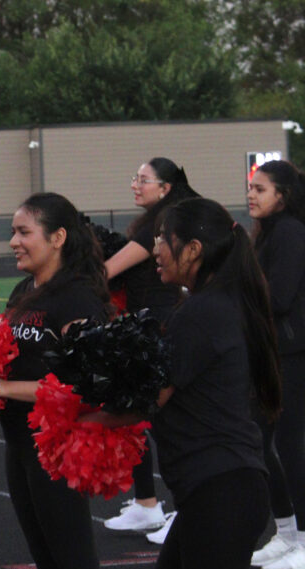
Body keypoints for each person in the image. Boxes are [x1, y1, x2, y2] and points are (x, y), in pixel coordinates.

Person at [91, 197, 279, 569]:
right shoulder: (207, 306)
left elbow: (146, 397)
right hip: (216, 492)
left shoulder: (202, 312)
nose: (153, 247)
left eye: (162, 238)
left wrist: (78, 418)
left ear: (193, 249)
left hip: (223, 492)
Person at [0, 193, 122, 569]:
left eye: (24, 232)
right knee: (49, 565)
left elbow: (85, 385)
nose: (14, 241)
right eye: (14, 231)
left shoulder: (78, 297)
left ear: (57, 237)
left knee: (78, 566)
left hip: (58, 448)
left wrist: (1, 387)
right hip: (19, 444)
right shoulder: (24, 291)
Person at [102, 157, 197, 543]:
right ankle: (146, 504)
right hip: (142, 327)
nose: (135, 185)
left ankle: (186, 509)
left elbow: (108, 270)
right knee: (139, 416)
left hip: (160, 326)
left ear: (166, 188)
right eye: (134, 178)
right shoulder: (151, 222)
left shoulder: (165, 222)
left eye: (143, 180)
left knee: (165, 420)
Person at [247, 159, 305, 569]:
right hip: (274, 351)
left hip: (295, 351)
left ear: (282, 195)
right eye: (251, 187)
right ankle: (285, 533)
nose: (251, 194)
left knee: (288, 444)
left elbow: (278, 298)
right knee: (260, 443)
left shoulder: (291, 233)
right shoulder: (268, 233)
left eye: (260, 189)